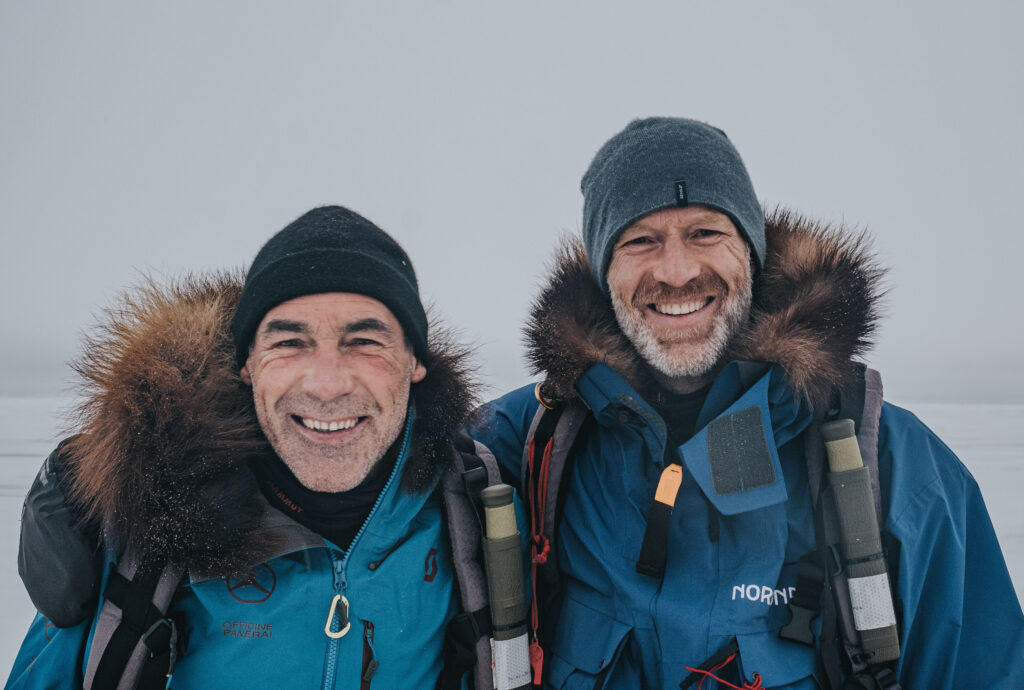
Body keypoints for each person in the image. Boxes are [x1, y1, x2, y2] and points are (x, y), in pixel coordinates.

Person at [471, 118, 1024, 689]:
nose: (677, 271)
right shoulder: (525, 442)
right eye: (640, 240)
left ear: (753, 253)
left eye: (706, 232)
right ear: (602, 268)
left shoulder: (895, 464)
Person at [7, 206, 496, 689]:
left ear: (414, 362)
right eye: (289, 344)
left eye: (364, 340)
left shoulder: (471, 510)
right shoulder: (141, 525)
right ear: (247, 365)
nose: (327, 386)